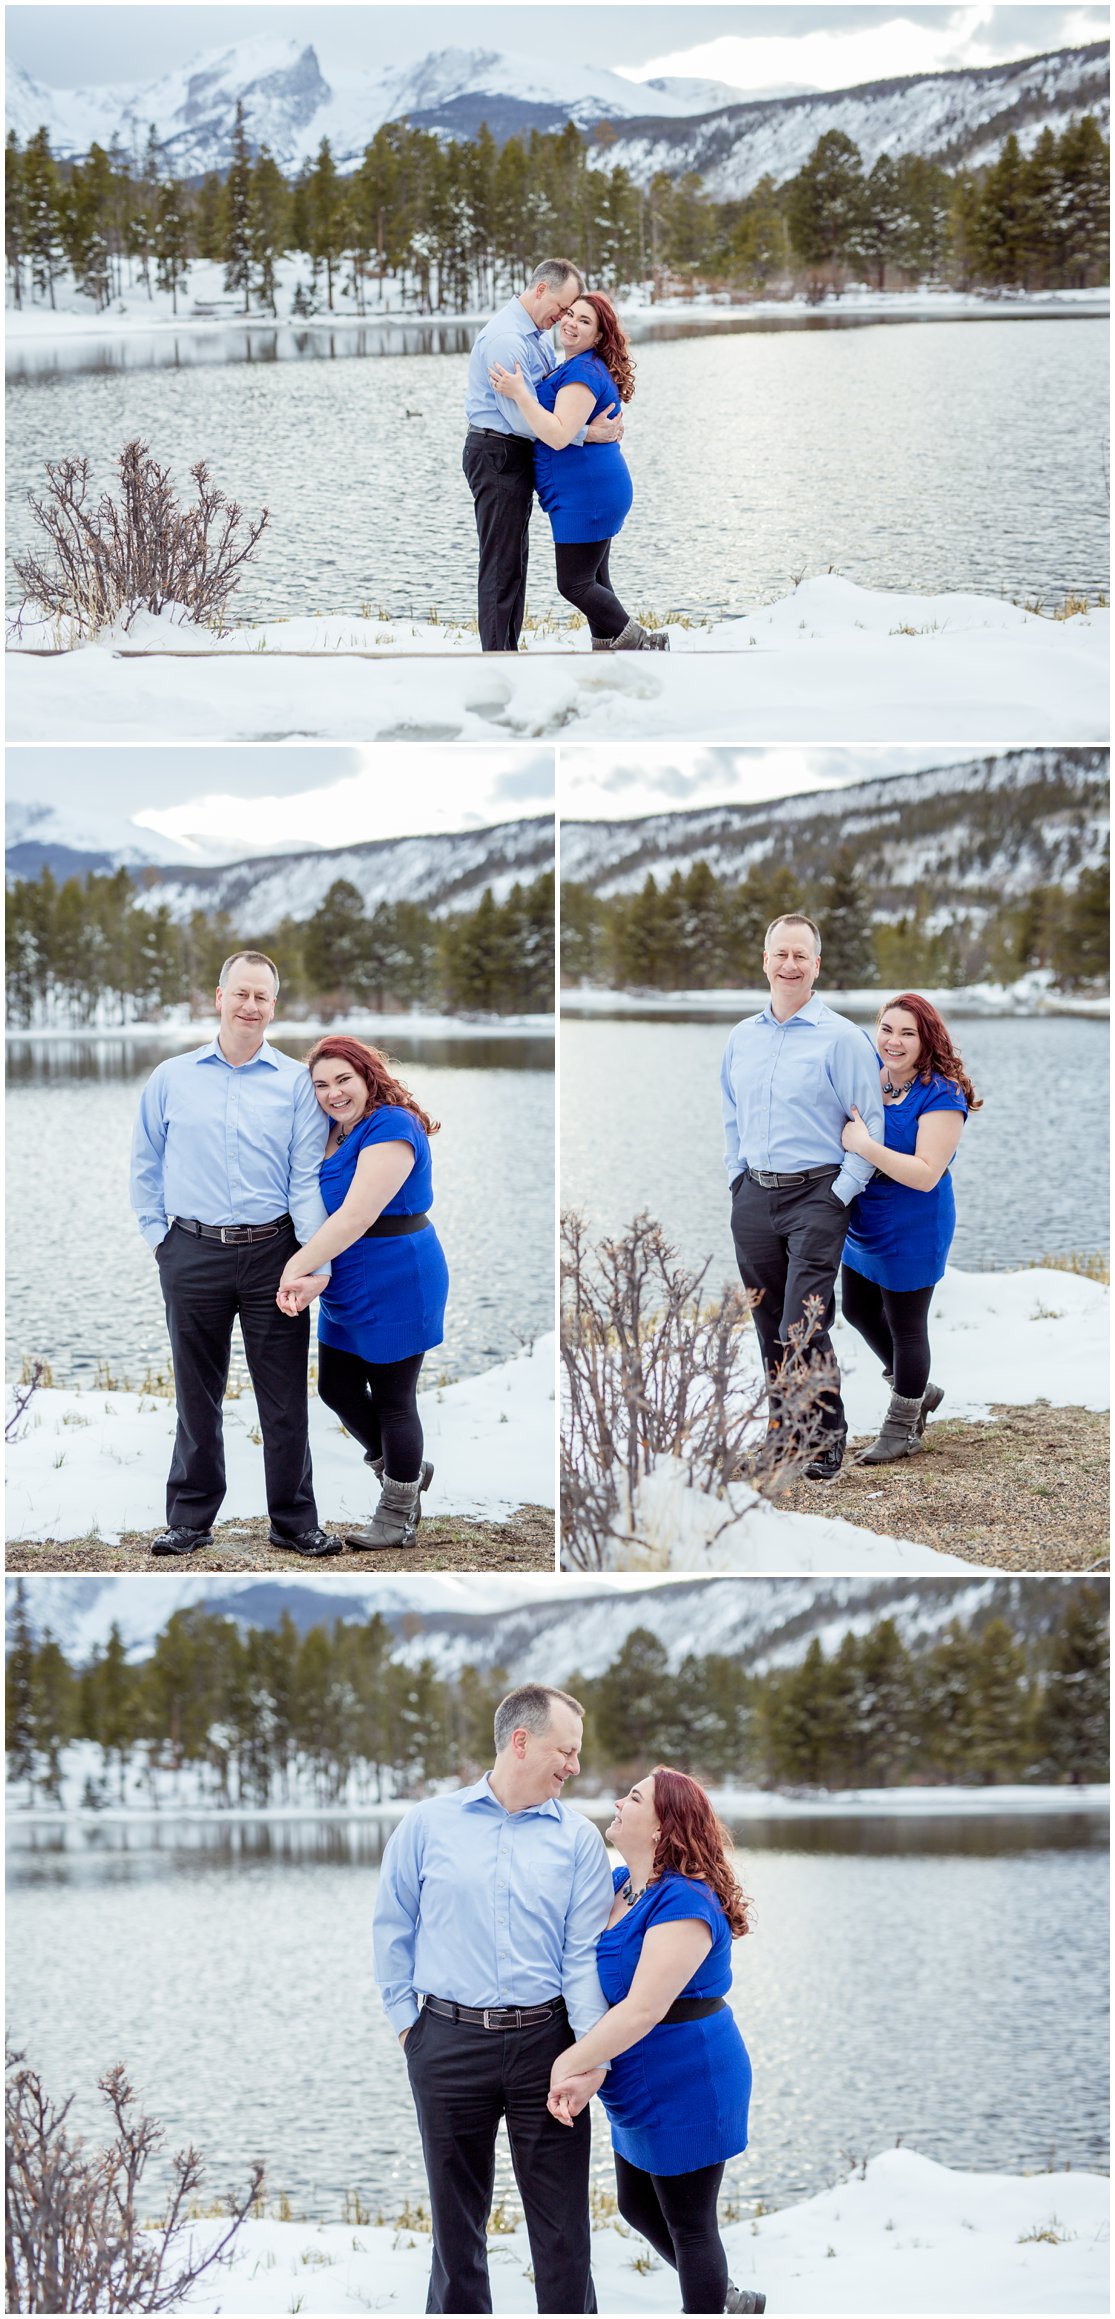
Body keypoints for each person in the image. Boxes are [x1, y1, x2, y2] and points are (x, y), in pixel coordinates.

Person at [373, 1684, 614, 2314]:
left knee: (563, 2229)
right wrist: (410, 2029)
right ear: (521, 1741)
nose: (575, 1765)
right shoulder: (428, 1823)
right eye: (567, 1750)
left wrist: (588, 2057)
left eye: (577, 1752)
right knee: (456, 2233)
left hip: (548, 2046)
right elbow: (392, 1927)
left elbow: (581, 1958)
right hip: (446, 2044)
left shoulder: (580, 1840)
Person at [130, 950, 337, 1559]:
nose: (251, 1006)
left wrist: (314, 1261)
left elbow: (305, 1178)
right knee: (197, 1395)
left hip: (276, 1253)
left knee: (283, 1398)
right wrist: (158, 1241)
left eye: (263, 997)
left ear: (275, 1005)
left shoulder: (297, 1083)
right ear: (218, 997)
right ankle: (190, 1520)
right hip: (190, 1252)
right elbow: (145, 1165)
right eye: (241, 994)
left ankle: (295, 1523)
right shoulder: (171, 1078)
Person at [548, 1768, 764, 2318]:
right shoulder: (623, 1884)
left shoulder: (685, 1902)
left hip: (690, 2076)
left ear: (662, 1828)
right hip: (636, 2078)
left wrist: (570, 2062)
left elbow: (644, 2008)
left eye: (635, 1796)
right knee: (638, 2205)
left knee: (691, 2228)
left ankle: (715, 2303)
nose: (619, 1800)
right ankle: (726, 2296)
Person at [720, 913, 884, 1481]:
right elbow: (731, 1115)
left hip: (818, 1193)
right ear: (765, 960)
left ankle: (825, 1433)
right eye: (780, 954)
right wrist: (736, 1179)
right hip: (755, 1197)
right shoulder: (743, 1037)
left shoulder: (842, 1038)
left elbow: (871, 1124)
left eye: (801, 956)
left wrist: (840, 1193)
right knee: (768, 1321)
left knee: (803, 1322)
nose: (789, 965)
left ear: (817, 965)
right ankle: (783, 1435)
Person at [274, 1035, 449, 1549]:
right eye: (321, 1084)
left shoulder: (392, 1125)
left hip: (398, 1272)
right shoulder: (333, 1129)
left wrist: (295, 1266)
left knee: (395, 1401)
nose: (333, 1093)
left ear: (368, 1075)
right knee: (338, 1389)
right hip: (348, 1274)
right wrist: (315, 1271)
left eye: (343, 1079)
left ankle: (397, 1516)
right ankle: (407, 1468)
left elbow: (357, 1215)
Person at [839, 993, 979, 1464]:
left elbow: (924, 1174)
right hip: (865, 1221)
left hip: (913, 1225)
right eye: (886, 1029)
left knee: (906, 1328)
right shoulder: (870, 1077)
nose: (893, 1042)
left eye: (907, 1033)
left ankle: (902, 1430)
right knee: (857, 1309)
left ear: (926, 1040)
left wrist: (863, 1144)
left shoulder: (942, 1093)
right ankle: (917, 1388)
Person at [489, 291, 667, 653]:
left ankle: (643, 644)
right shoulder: (578, 365)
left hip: (588, 495)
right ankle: (607, 650)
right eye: (570, 314)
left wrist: (520, 394)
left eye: (584, 321)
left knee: (574, 584)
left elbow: (556, 435)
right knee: (595, 578)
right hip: (591, 489)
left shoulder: (582, 373)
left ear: (599, 336)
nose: (570, 323)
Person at [463, 259, 625, 653]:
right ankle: (499, 659)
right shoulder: (507, 340)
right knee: (502, 565)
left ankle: (508, 651)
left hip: (515, 454)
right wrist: (586, 433)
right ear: (541, 290)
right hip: (498, 451)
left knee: (515, 562)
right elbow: (523, 419)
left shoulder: (535, 334)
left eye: (575, 313)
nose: (563, 318)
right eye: (564, 307)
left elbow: (551, 401)